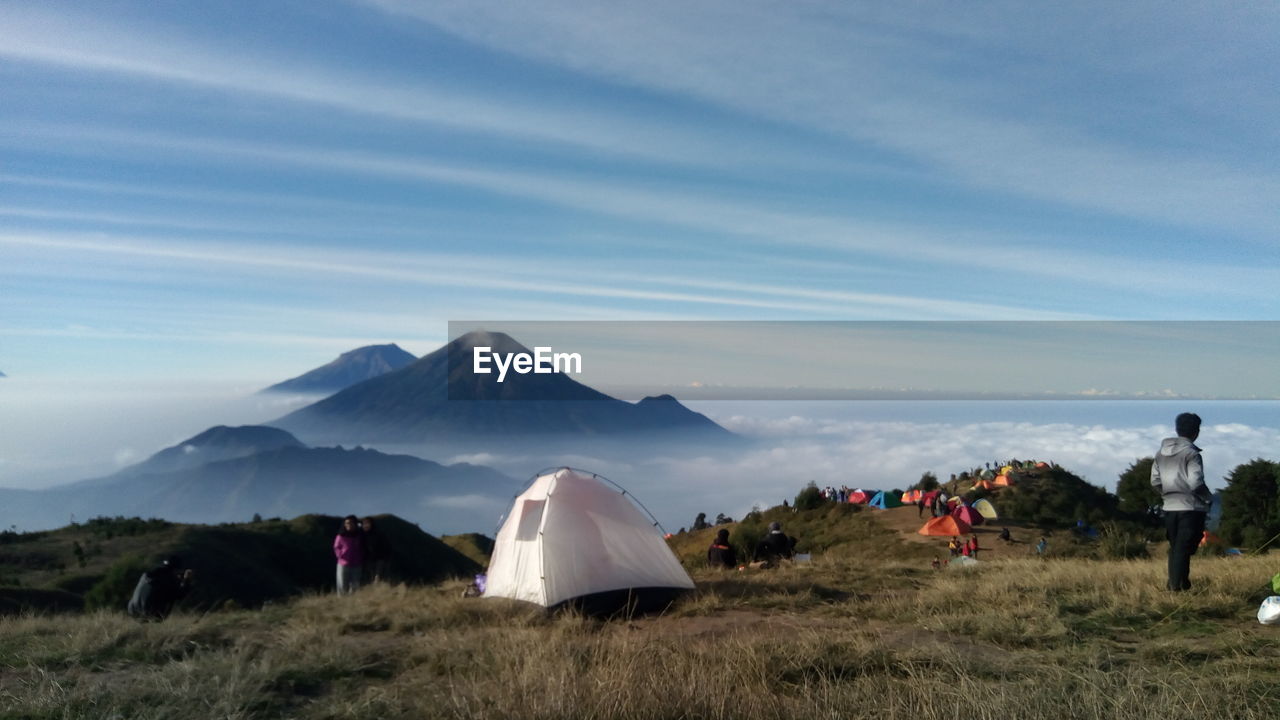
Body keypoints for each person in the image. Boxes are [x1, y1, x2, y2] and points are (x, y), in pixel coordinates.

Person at [1151, 412, 1213, 592]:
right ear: (1196, 431)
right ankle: (1177, 588)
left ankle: (1176, 585)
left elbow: (1155, 481)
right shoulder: (1191, 453)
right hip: (1191, 507)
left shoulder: (1160, 453)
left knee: (1176, 548)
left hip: (1169, 507)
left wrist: (1168, 495)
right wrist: (1208, 499)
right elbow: (1196, 483)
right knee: (1184, 549)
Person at [127, 556, 194, 620]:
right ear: (176, 569)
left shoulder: (146, 576)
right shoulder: (168, 582)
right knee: (170, 598)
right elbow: (180, 595)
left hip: (133, 612)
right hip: (152, 616)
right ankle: (155, 619)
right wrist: (186, 580)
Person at [333, 515, 365, 595]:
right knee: (342, 585)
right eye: (347, 523)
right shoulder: (340, 536)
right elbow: (336, 547)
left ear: (355, 524)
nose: (349, 524)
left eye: (351, 523)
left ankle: (352, 603)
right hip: (343, 563)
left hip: (357, 564)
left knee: (355, 586)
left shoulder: (359, 536)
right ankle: (341, 603)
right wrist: (342, 555)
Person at [361, 516, 392, 584]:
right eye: (364, 524)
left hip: (380, 559)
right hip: (368, 560)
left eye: (367, 523)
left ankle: (379, 590)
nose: (365, 526)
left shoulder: (378, 534)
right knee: (370, 577)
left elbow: (385, 546)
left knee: (378, 576)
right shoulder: (361, 535)